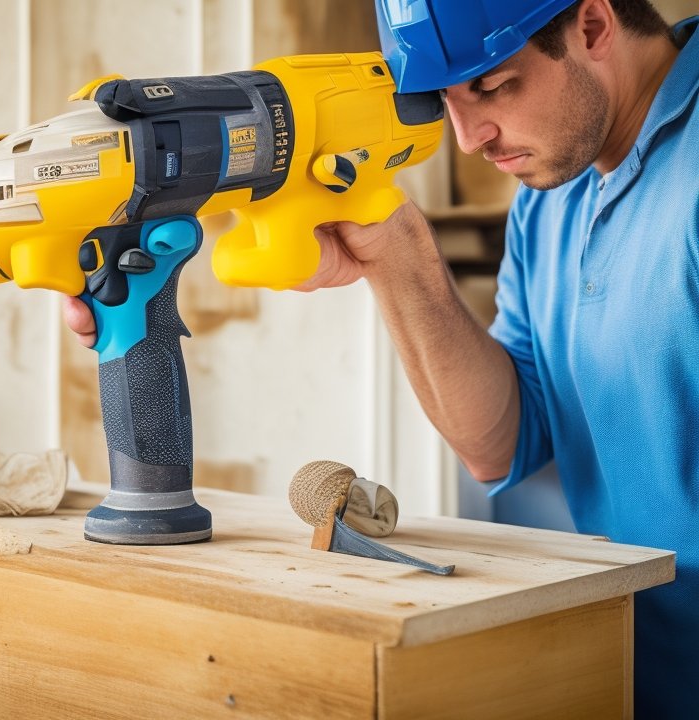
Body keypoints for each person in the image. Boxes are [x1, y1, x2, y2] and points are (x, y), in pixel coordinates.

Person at [62, 0, 697, 715]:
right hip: (628, 665)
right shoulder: (550, 196)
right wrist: (397, 255)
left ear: (591, 25)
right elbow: (502, 444)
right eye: (444, 101)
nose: (468, 137)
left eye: (491, 87)